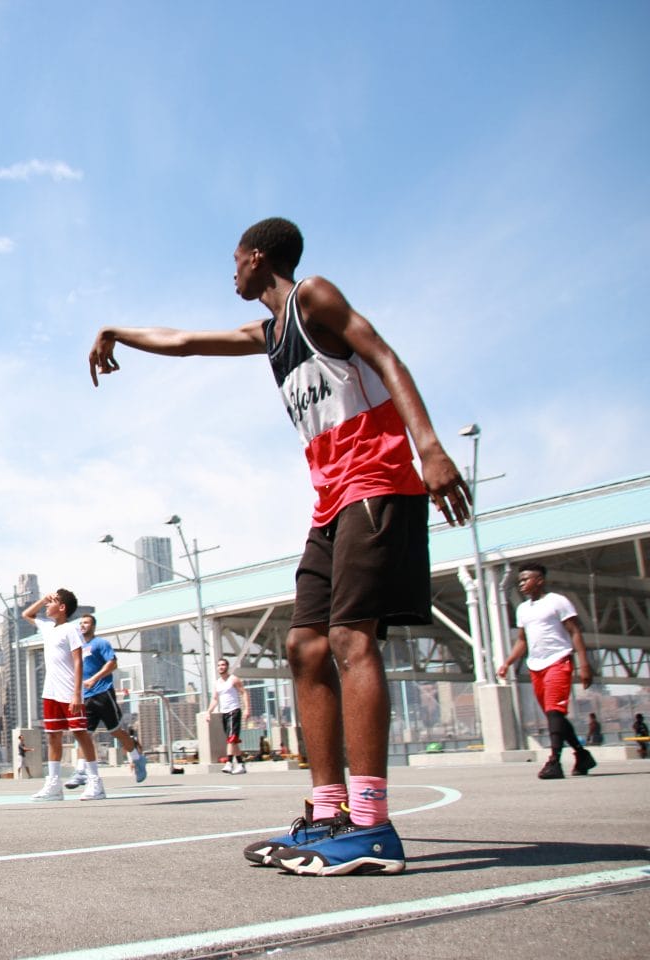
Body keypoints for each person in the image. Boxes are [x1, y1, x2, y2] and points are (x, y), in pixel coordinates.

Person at [89, 217, 471, 875]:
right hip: (331, 501)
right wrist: (116, 331)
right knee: (303, 646)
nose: (231, 271)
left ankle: (372, 825)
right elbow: (183, 342)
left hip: (377, 482)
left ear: (258, 257)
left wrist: (430, 448)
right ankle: (328, 813)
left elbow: (387, 358)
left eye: (235, 260)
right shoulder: (269, 334)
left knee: (350, 639)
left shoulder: (314, 297)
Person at [497, 562, 596, 779]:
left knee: (554, 711)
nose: (521, 584)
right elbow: (522, 640)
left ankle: (554, 762)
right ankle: (582, 755)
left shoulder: (557, 601)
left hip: (558, 661)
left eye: (526, 579)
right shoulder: (523, 609)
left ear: (540, 580)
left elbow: (575, 631)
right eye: (520, 580)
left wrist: (584, 665)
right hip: (536, 666)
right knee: (554, 715)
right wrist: (508, 662)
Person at [24, 588, 105, 801]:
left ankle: (95, 782)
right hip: (50, 691)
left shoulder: (71, 629)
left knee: (80, 733)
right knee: (53, 736)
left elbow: (78, 661)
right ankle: (54, 785)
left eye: (52, 602)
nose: (47, 605)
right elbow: (27, 614)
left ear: (62, 608)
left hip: (69, 691)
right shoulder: (47, 627)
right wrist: (44, 598)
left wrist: (77, 694)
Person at [63, 614, 148, 787]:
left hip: (103, 693)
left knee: (116, 731)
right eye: (81, 623)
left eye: (86, 622)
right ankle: (81, 771)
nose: (82, 625)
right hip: (85, 697)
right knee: (83, 734)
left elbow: (112, 663)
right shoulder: (77, 648)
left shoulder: (101, 643)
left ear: (93, 626)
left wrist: (94, 678)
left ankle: (137, 758)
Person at [212, 658, 250, 775]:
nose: (221, 667)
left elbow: (244, 693)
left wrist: (247, 709)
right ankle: (240, 765)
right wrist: (209, 711)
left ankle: (229, 763)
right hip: (224, 713)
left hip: (234, 711)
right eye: (219, 665)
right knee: (232, 741)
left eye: (223, 665)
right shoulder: (217, 683)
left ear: (227, 667)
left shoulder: (233, 679)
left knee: (231, 739)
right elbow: (215, 699)